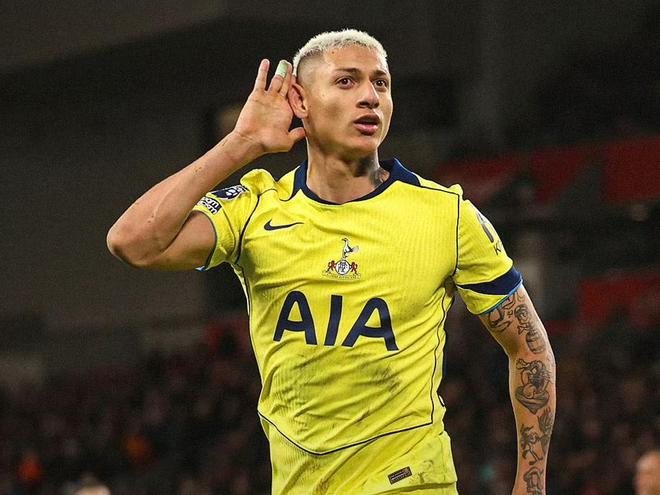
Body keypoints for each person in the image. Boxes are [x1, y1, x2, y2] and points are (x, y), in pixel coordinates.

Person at [107, 29, 556, 494]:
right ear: (299, 100)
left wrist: (531, 485)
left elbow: (529, 347)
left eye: (380, 83)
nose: (369, 97)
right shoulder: (256, 209)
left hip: (410, 482)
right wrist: (242, 143)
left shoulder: (448, 216)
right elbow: (133, 242)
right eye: (346, 81)